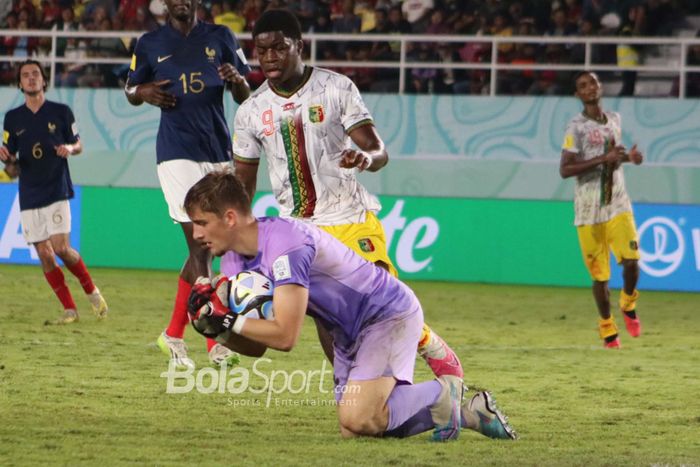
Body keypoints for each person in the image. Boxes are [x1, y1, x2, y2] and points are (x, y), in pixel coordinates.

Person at [184, 170, 518, 441]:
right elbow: (258, 349)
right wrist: (214, 327)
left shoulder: (286, 245)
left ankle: (450, 394)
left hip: (385, 315)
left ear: (229, 217)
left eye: (201, 222)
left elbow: (285, 336)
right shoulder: (233, 263)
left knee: (358, 417)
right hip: (348, 332)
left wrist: (228, 321)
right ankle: (469, 413)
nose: (196, 234)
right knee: (356, 429)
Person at [229, 9, 462, 380]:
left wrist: (365, 158)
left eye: (279, 47)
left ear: (299, 46)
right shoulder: (251, 111)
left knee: (383, 303)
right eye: (262, 50)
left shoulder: (336, 87)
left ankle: (428, 345)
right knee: (330, 318)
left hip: (350, 219)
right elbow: (244, 181)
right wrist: (236, 227)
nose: (270, 57)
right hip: (301, 233)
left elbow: (379, 151)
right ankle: (351, 386)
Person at [124, 0, 251, 368]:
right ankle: (216, 341)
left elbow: (245, 94)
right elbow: (130, 91)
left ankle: (173, 334)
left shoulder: (221, 36)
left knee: (210, 249)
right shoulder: (150, 42)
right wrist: (143, 92)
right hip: (175, 152)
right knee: (199, 241)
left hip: (217, 150)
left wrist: (237, 81)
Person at [0, 59, 108, 324]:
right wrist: (6, 160)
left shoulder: (61, 111)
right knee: (44, 254)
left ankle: (91, 291)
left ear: (44, 80)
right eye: (26, 75)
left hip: (56, 187)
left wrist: (69, 149)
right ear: (20, 83)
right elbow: (12, 168)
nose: (31, 78)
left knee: (61, 248)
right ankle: (70, 310)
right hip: (29, 193)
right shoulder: (12, 119)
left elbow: (78, 144)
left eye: (35, 74)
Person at [559, 71, 644, 348]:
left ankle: (628, 302)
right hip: (588, 209)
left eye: (593, 82)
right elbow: (565, 169)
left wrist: (629, 158)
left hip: (617, 202)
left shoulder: (615, 120)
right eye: (583, 85)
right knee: (600, 276)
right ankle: (607, 326)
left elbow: (614, 157)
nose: (590, 87)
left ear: (600, 87)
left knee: (632, 261)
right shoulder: (576, 128)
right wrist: (601, 159)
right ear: (578, 95)